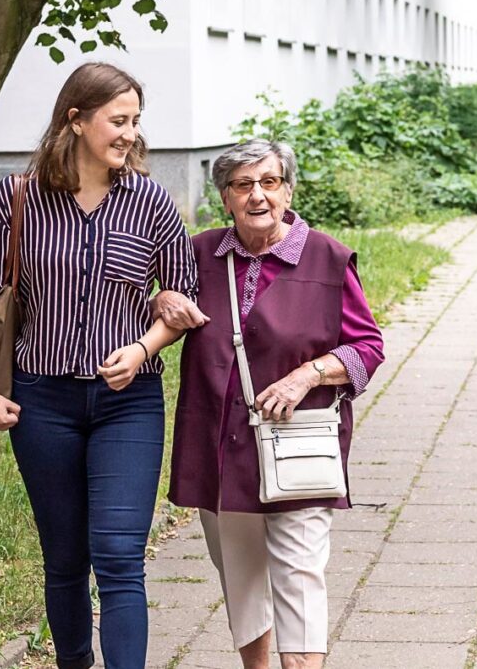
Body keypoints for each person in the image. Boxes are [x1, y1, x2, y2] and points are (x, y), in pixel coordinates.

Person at [0, 62, 197, 669]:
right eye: (118, 120)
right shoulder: (16, 198)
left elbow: (180, 302)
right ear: (76, 119)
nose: (130, 133)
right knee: (65, 558)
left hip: (129, 402)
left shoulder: (151, 201)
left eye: (135, 121)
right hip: (42, 401)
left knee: (119, 556)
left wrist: (144, 347)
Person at [156, 139, 384, 669]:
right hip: (217, 439)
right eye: (243, 185)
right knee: (238, 572)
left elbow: (368, 346)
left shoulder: (327, 258)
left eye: (270, 182)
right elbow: (166, 303)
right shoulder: (199, 254)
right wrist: (162, 296)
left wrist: (306, 376)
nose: (257, 196)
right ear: (225, 197)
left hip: (299, 441)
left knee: (301, 573)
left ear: (288, 189)